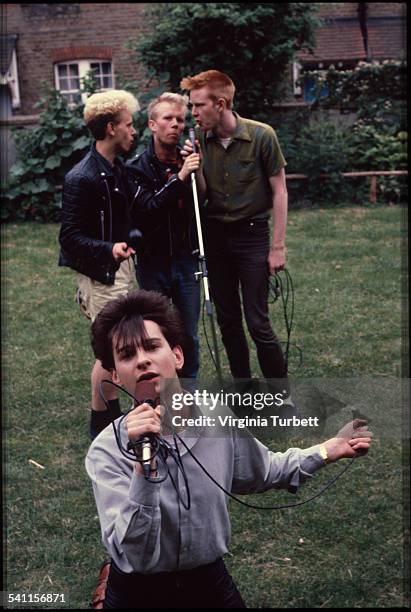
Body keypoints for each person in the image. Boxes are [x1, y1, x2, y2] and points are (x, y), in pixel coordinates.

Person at [85, 289, 373, 609]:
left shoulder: (216, 417)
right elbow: (135, 551)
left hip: (208, 582)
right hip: (139, 593)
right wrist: (143, 464)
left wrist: (325, 450)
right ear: (115, 375)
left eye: (152, 346)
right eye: (126, 355)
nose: (141, 360)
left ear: (177, 355)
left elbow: (263, 470)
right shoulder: (107, 451)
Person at [180, 70, 291, 399]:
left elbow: (280, 192)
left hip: (252, 234)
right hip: (215, 236)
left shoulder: (262, 136)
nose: (194, 113)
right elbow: (200, 196)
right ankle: (243, 392)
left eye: (199, 106)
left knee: (257, 322)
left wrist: (278, 247)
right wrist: (193, 168)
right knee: (228, 321)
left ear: (221, 103)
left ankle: (281, 395)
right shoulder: (199, 140)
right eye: (192, 106)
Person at [58, 89, 140, 439]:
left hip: (121, 270)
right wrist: (109, 250)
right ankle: (103, 425)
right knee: (111, 354)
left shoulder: (116, 169)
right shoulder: (82, 177)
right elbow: (69, 238)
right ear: (110, 128)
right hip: (102, 275)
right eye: (129, 124)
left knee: (115, 349)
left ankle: (107, 423)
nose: (134, 131)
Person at [126, 92, 204, 386]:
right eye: (168, 119)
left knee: (188, 332)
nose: (176, 125)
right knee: (154, 332)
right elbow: (148, 210)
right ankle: (157, 391)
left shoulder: (189, 163)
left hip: (185, 258)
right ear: (152, 125)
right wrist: (181, 176)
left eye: (181, 119)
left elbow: (202, 204)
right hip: (152, 260)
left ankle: (190, 390)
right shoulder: (136, 168)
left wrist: (195, 170)